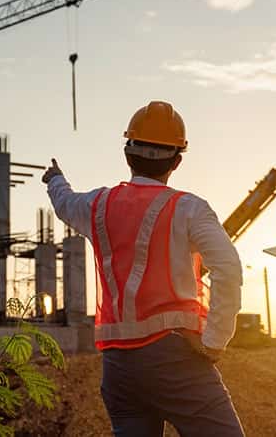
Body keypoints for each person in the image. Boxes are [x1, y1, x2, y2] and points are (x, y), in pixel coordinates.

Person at [42, 100, 244, 436]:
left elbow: (65, 203)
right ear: (177, 161)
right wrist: (214, 341)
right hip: (177, 359)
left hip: (119, 368)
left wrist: (55, 179)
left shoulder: (98, 205)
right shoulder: (189, 208)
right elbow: (228, 267)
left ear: (127, 154)